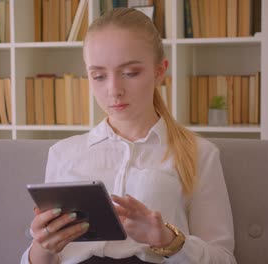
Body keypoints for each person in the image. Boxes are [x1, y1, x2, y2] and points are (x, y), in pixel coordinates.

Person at [21, 7, 237, 264]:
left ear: (160, 71)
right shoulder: (63, 153)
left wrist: (168, 241)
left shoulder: (199, 154)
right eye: (99, 76)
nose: (114, 90)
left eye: (130, 73)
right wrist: (43, 246)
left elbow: (224, 259)